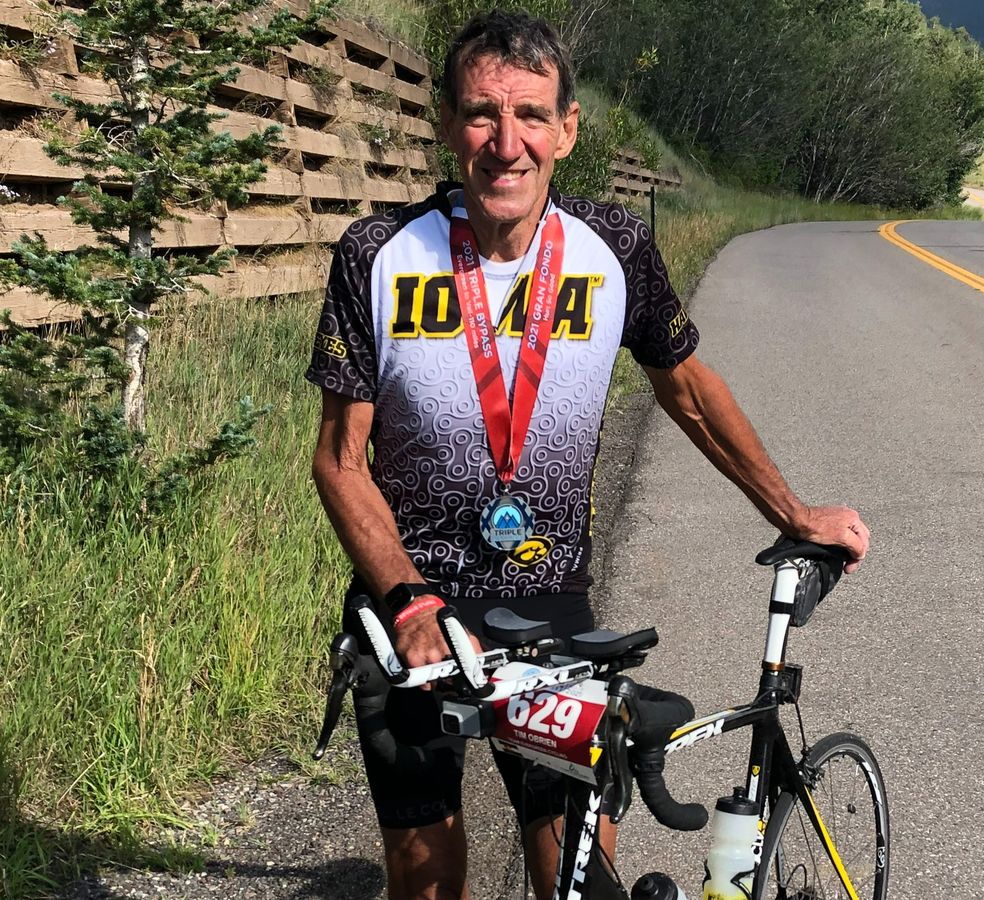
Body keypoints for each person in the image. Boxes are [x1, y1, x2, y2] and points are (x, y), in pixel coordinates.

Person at [306, 9, 870, 900]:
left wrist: (793, 512)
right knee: (425, 879)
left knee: (574, 871)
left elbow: (688, 391)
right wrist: (409, 600)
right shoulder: (376, 254)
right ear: (448, 124)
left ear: (567, 130)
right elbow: (339, 460)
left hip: (548, 607)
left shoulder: (615, 249)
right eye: (482, 113)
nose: (507, 144)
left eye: (531, 115)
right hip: (410, 604)